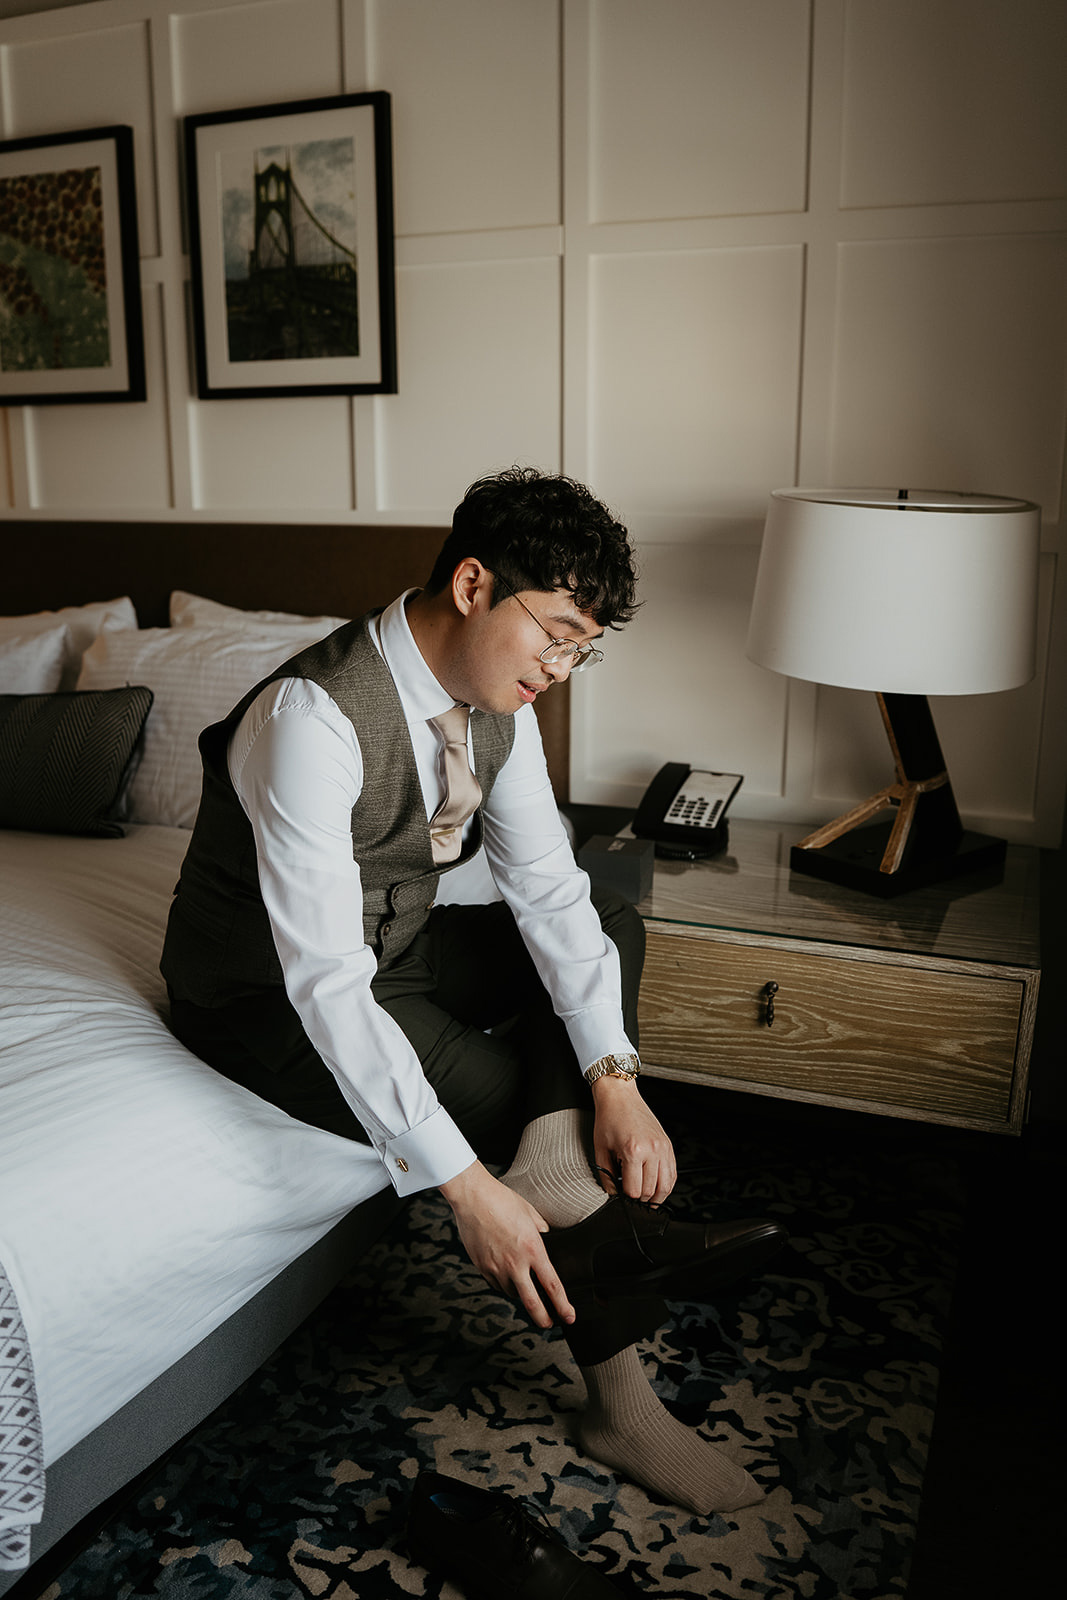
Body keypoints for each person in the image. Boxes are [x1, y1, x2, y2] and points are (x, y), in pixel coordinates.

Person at [161, 467, 785, 1515]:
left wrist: (615, 1076)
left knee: (607, 922)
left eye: (583, 646)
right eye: (553, 632)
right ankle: (621, 1406)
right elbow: (325, 985)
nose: (563, 666)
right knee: (508, 1108)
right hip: (266, 997)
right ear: (470, 585)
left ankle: (556, 1163)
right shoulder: (310, 719)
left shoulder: (499, 703)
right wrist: (460, 1188)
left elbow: (547, 889)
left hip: (394, 947)